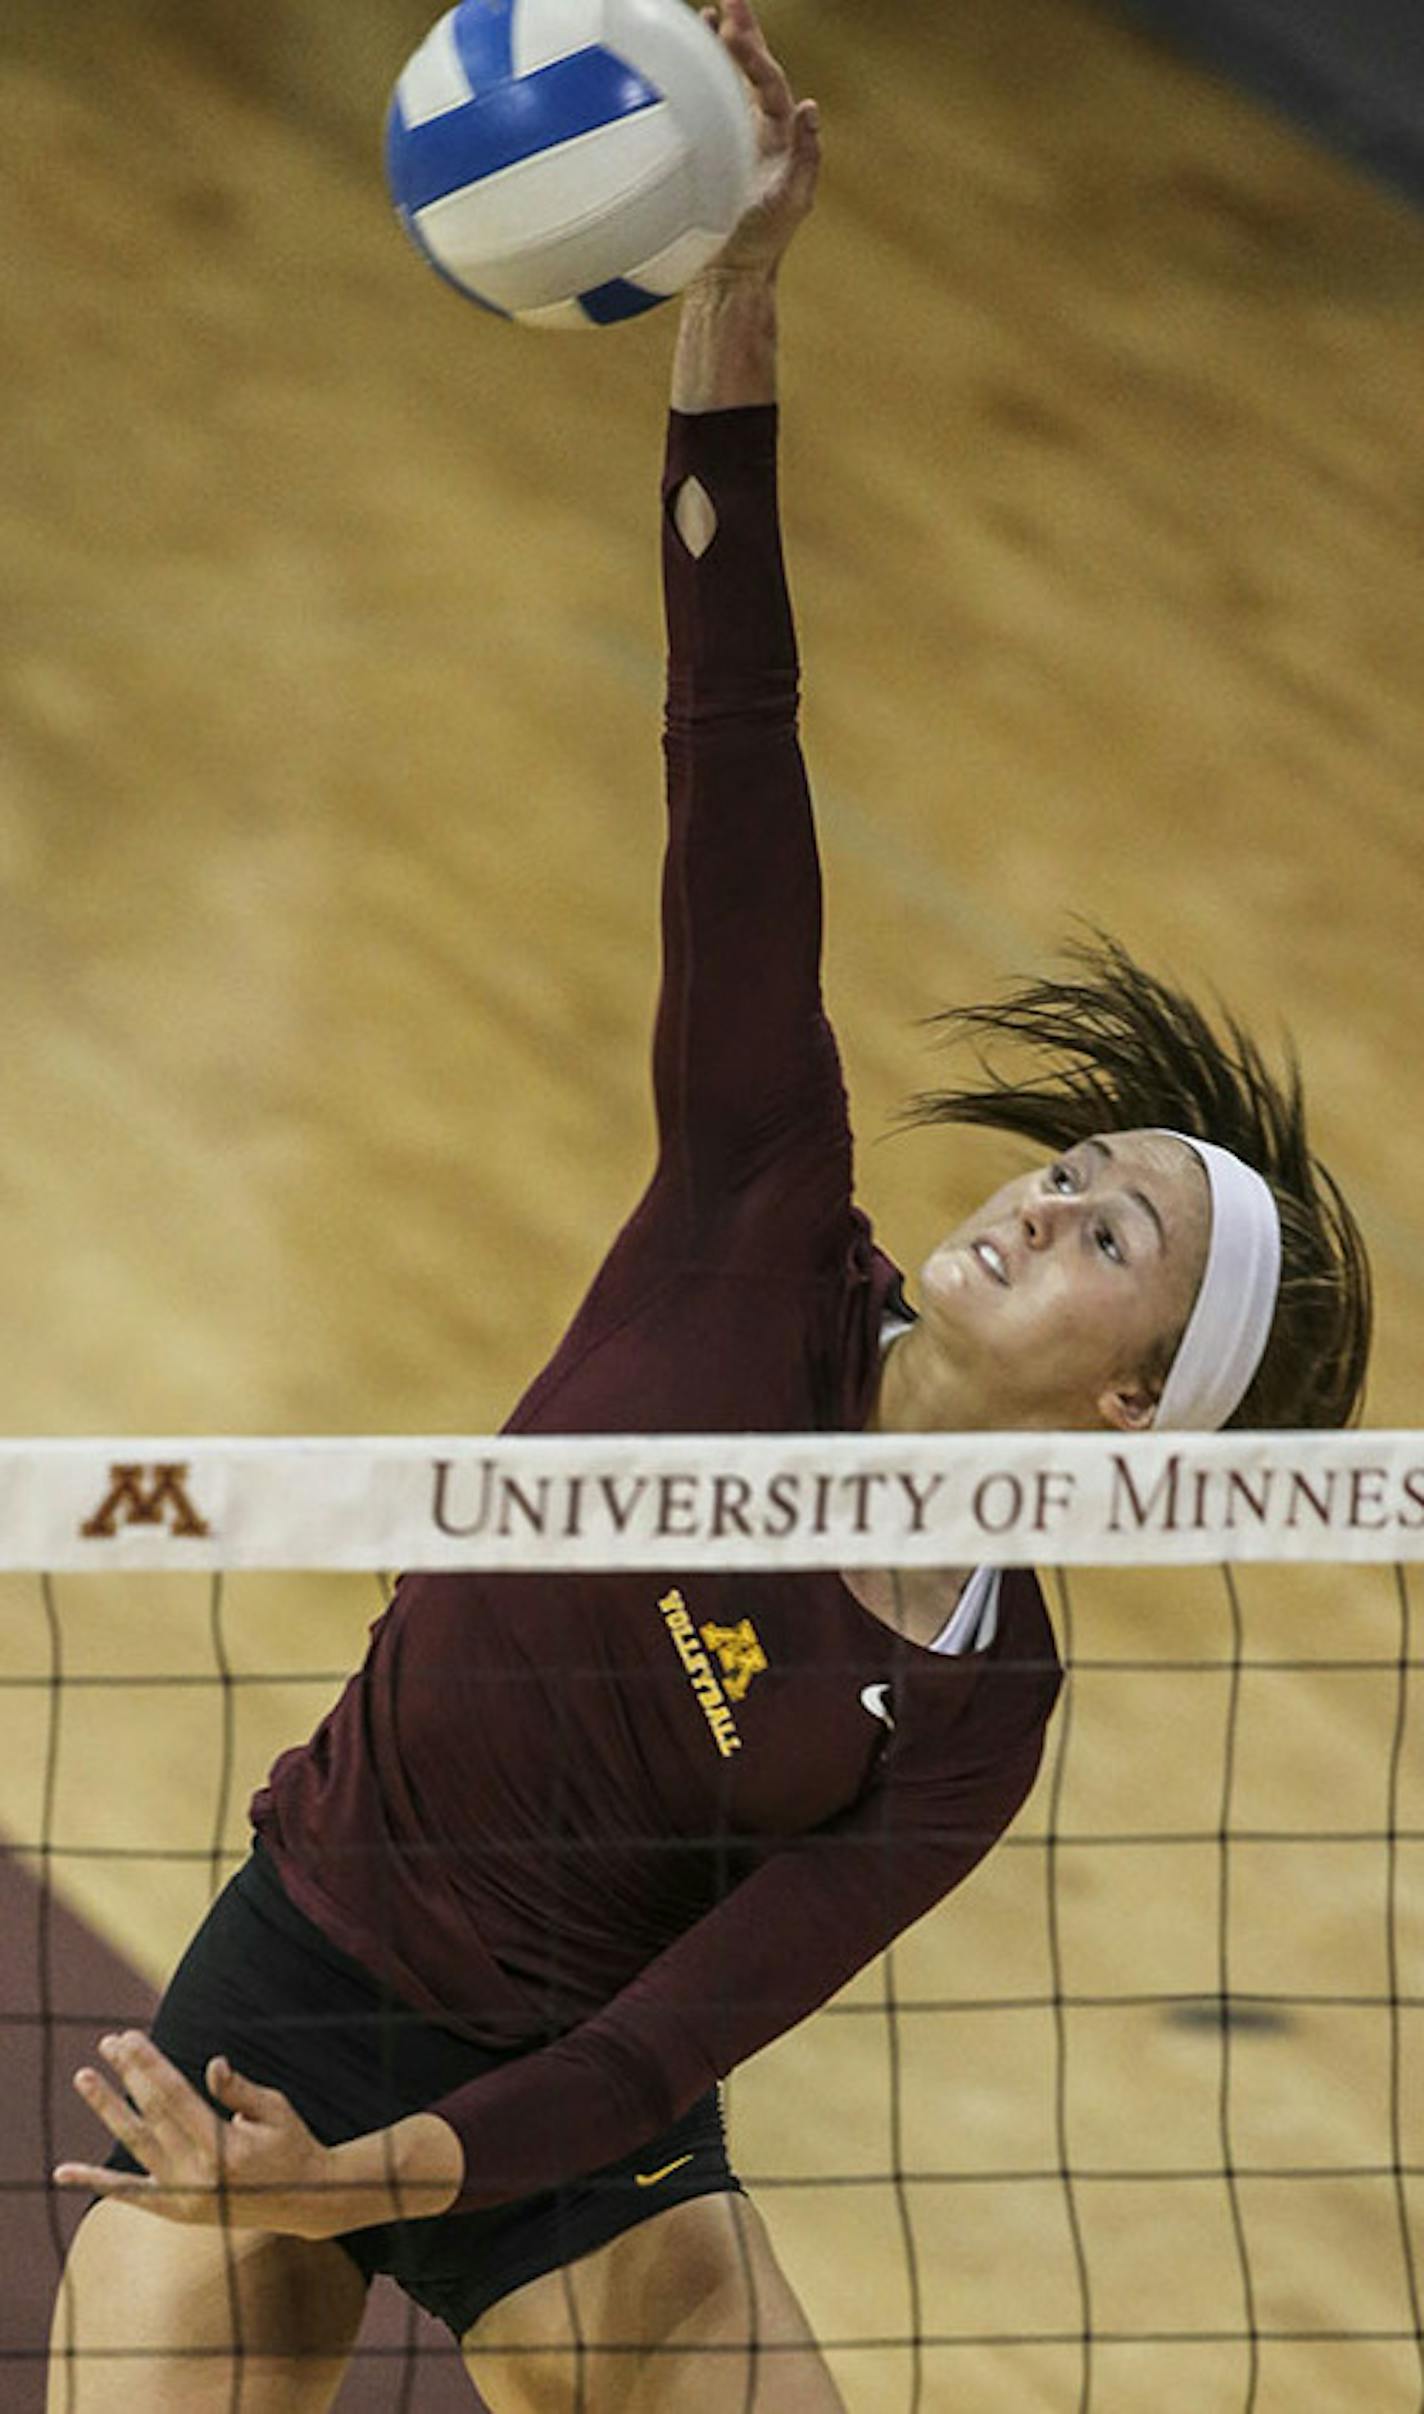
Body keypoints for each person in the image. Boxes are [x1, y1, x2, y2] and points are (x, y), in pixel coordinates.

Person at [48, 5, 1371, 2408]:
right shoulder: (757, 1210)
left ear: (1140, 1411)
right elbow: (729, 736)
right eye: (1065, 1171)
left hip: (567, 2119)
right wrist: (734, 318)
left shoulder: (974, 1703)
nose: (1037, 1206)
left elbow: (666, 2044)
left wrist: (374, 2188)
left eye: (1109, 1239)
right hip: (298, 1982)